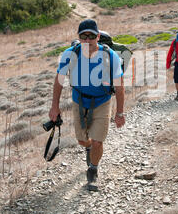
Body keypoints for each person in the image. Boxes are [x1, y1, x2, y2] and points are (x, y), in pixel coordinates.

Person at [49, 19, 125, 190]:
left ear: (98, 37)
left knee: (98, 140)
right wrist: (55, 106)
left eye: (91, 36)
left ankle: (93, 169)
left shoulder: (110, 56)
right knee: (83, 141)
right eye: (84, 36)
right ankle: (88, 148)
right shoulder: (70, 54)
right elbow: (59, 81)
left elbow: (120, 87)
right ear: (79, 38)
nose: (88, 40)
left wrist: (119, 113)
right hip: (80, 102)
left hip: (102, 102)